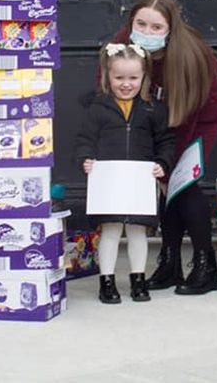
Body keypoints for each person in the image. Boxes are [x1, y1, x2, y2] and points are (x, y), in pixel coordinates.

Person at [110, 0, 217, 295]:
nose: (146, 32)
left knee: (181, 183)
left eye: (156, 27)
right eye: (142, 24)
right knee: (164, 184)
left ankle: (206, 269)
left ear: (170, 28)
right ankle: (170, 263)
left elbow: (185, 116)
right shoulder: (123, 42)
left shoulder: (188, 57)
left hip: (199, 111)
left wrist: (168, 163)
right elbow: (111, 80)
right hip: (158, 113)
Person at [74, 43, 176, 304]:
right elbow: (85, 139)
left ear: (144, 77)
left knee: (138, 232)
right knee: (109, 231)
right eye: (119, 77)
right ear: (108, 75)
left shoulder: (153, 109)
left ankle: (138, 279)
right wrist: (85, 158)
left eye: (133, 78)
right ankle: (106, 281)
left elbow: (166, 140)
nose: (126, 84)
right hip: (108, 182)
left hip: (140, 182)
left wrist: (163, 163)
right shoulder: (98, 108)